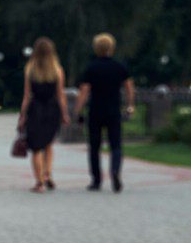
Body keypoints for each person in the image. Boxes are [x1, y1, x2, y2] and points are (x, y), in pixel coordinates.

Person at [76, 32, 135, 192]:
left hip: (95, 110)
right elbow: (129, 88)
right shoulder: (119, 67)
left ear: (96, 48)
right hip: (113, 110)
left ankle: (96, 180)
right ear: (112, 48)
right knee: (116, 144)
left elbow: (84, 91)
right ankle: (115, 171)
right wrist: (130, 106)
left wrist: (78, 110)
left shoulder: (91, 68)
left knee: (94, 147)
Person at [17, 37, 68, 192]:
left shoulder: (30, 70)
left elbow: (27, 96)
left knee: (36, 148)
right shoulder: (57, 70)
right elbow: (60, 95)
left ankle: (39, 182)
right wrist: (64, 114)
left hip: (35, 109)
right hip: (52, 110)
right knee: (48, 144)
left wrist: (22, 116)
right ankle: (47, 174)